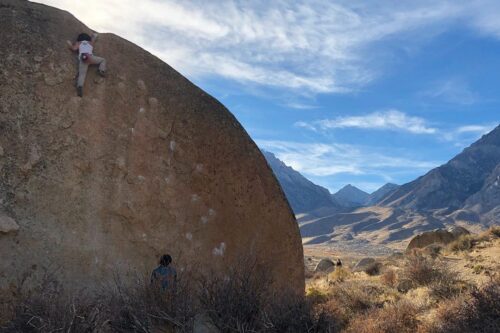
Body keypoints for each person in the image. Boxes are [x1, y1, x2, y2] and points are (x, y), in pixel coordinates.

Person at [66, 32, 106, 97]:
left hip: (83, 59)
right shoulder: (90, 43)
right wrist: (95, 35)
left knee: (82, 74)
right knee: (103, 60)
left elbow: (74, 49)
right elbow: (94, 38)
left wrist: (69, 44)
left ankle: (80, 86)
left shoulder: (79, 43)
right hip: (90, 58)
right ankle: (101, 70)